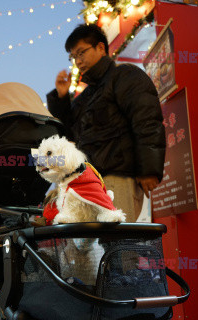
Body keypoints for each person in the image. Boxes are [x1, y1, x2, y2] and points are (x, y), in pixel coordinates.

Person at [47, 24, 166, 222]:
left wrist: (148, 170)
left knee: (118, 244)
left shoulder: (125, 76)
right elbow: (68, 132)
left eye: (81, 53)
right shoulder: (86, 95)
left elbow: (146, 120)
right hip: (89, 181)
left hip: (118, 178)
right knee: (94, 248)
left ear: (101, 48)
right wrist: (60, 97)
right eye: (73, 57)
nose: (77, 61)